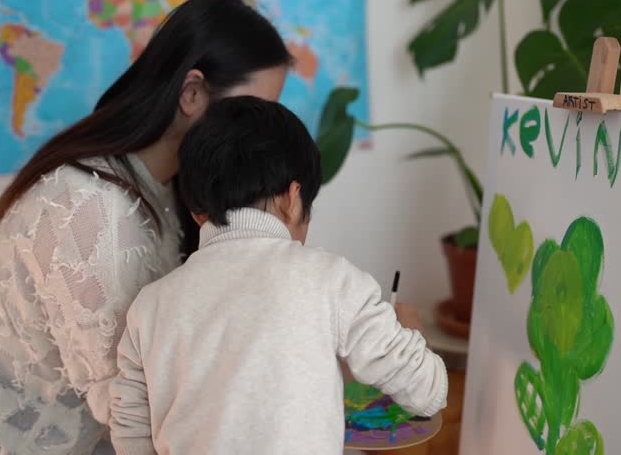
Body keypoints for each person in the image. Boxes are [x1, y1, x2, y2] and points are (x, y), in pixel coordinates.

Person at [0, 0, 293, 454]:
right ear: (191, 93)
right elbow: (133, 407)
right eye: (250, 113)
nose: (262, 138)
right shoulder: (88, 208)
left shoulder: (168, 191)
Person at [108, 96, 448, 455]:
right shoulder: (333, 281)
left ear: (195, 211)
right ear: (293, 198)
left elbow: (130, 431)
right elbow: (427, 393)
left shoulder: (151, 304)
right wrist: (412, 336)